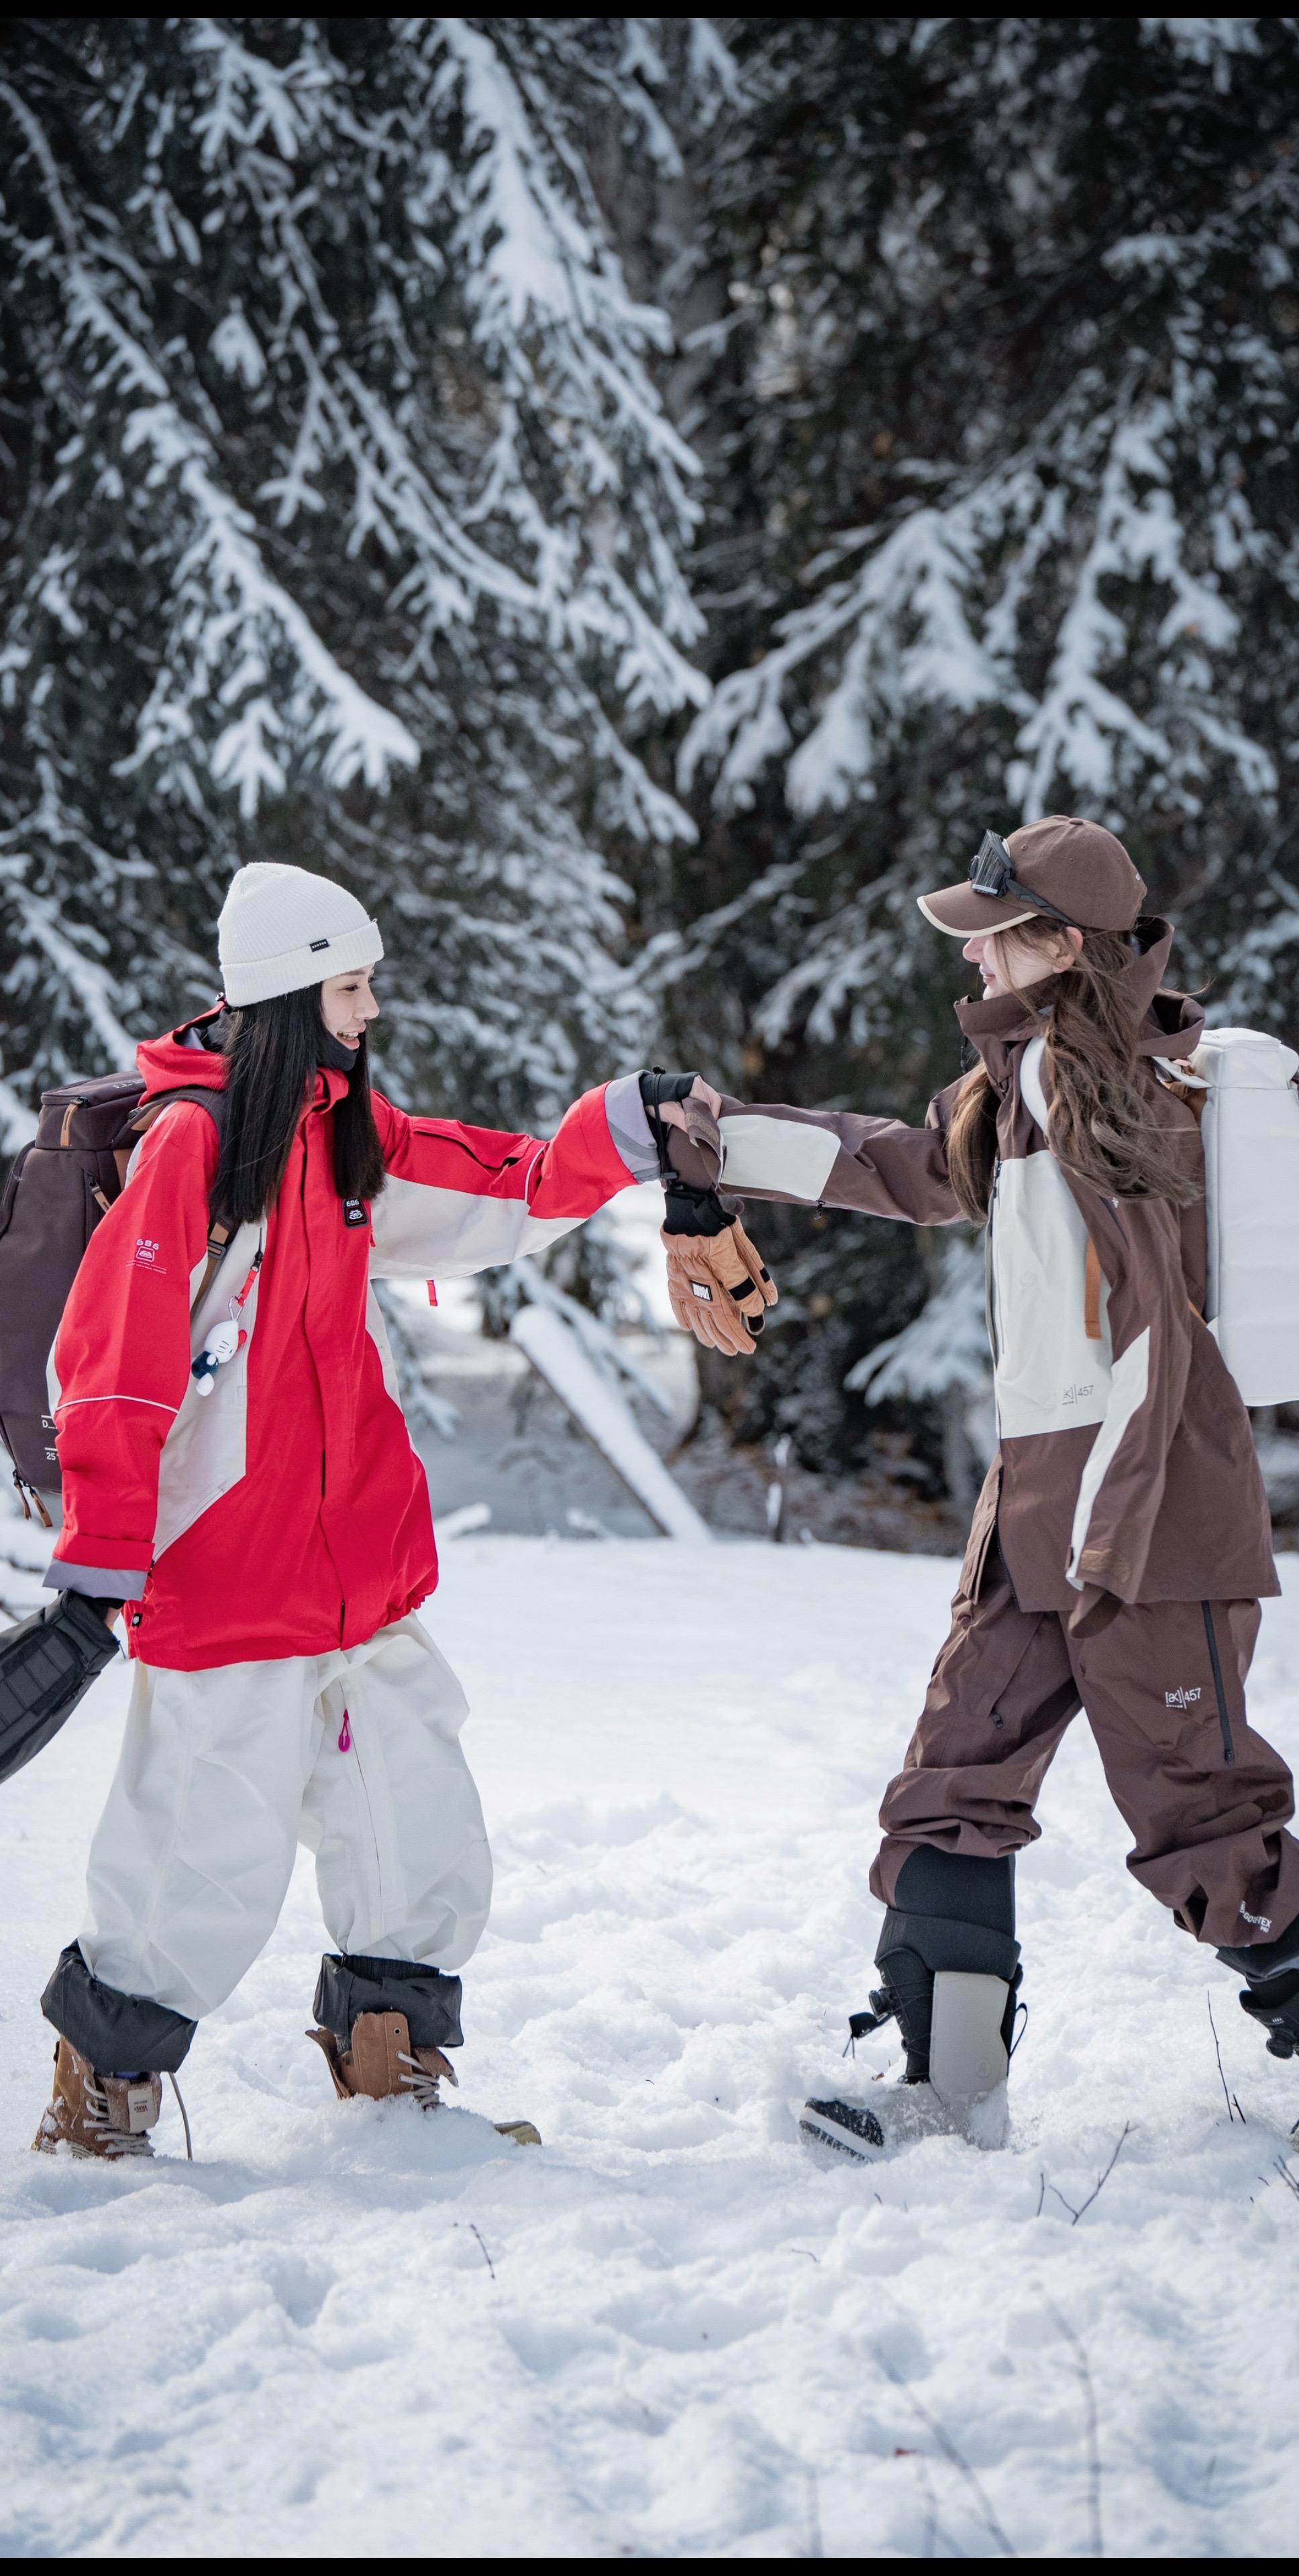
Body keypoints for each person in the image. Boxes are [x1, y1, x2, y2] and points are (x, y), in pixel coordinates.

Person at [32, 861, 772, 2160]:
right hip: (228, 1575)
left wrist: (631, 1125)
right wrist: (98, 1561)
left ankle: (390, 2072)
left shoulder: (341, 1133)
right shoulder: (193, 1148)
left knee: (414, 1815)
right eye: (352, 987)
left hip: (358, 1572)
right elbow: (112, 1362)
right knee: (201, 1847)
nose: (371, 1012)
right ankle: (101, 2086)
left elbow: (509, 1186)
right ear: (287, 996)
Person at [658, 814, 1299, 2153]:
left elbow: (1158, 1341)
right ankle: (947, 2090)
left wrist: (1110, 1534)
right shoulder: (1020, 1086)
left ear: (1058, 945)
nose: (977, 959)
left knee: (1205, 1831)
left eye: (994, 937)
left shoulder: (1108, 1091)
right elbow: (899, 1164)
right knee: (954, 1782)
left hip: (1144, 1519)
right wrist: (718, 1141)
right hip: (1043, 1516)